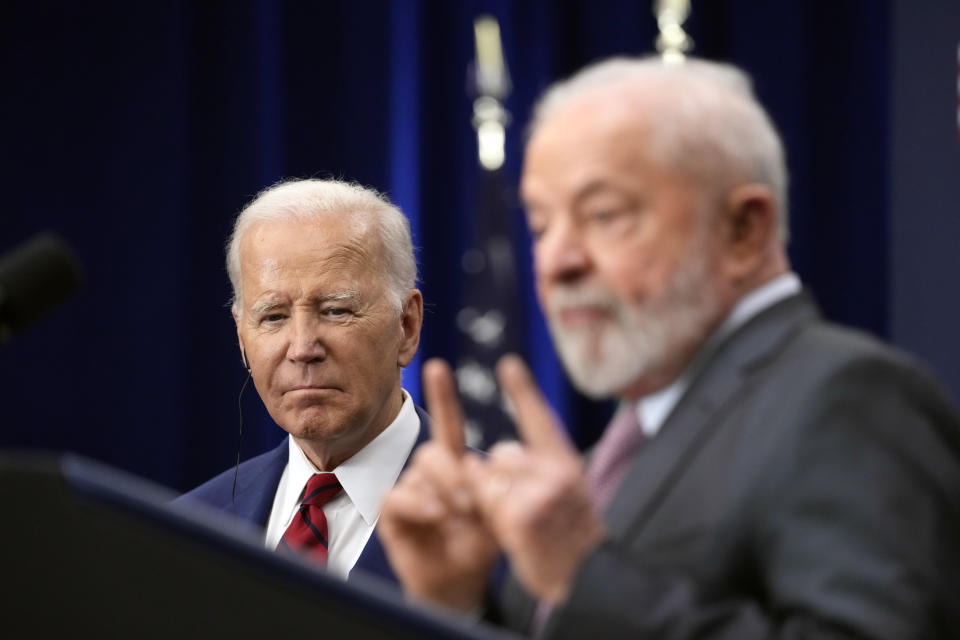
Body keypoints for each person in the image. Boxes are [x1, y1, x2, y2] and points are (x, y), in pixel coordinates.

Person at [377, 56, 960, 638]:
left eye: (603, 214)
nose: (558, 261)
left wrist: (584, 575)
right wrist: (457, 606)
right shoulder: (618, 447)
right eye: (542, 226)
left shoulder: (850, 400)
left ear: (743, 230)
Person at [177, 178, 426, 584]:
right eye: (273, 317)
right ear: (242, 339)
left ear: (407, 326)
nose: (302, 347)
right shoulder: (186, 533)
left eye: (336, 310)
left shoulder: (511, 525)